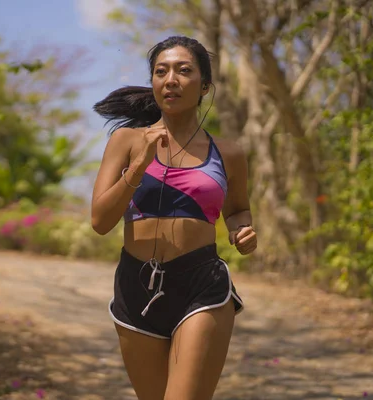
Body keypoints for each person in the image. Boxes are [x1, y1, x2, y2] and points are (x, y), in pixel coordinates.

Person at [90, 35, 257, 400]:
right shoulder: (127, 141)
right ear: (153, 83)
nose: (171, 79)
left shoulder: (228, 153)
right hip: (136, 286)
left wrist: (243, 231)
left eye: (184, 71)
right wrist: (138, 166)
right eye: (161, 71)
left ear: (204, 87)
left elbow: (238, 210)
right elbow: (101, 221)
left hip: (201, 285)